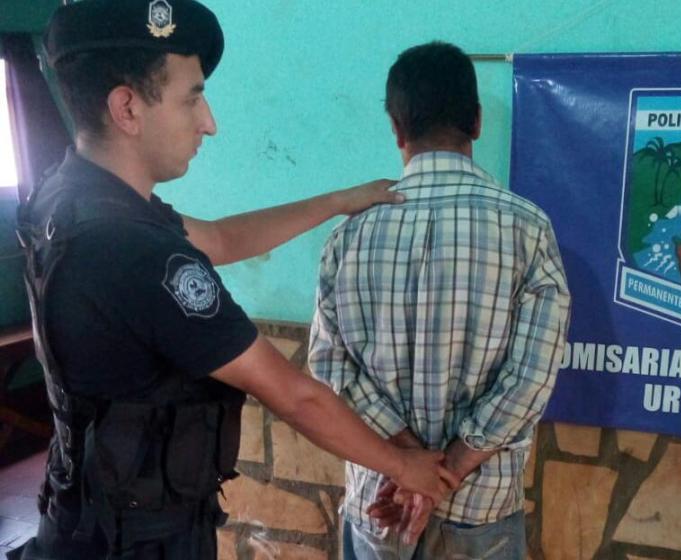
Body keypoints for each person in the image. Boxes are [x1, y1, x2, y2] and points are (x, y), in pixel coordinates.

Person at [9, 2, 457, 559]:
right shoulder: (140, 254)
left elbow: (220, 238)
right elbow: (295, 396)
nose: (209, 122)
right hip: (137, 543)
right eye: (191, 98)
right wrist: (404, 466)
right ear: (127, 108)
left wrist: (339, 201)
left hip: (80, 518)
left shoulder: (72, 198)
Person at [308, 41, 571, 559]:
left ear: (396, 129)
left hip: (380, 499)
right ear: (477, 121)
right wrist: (445, 471)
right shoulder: (527, 229)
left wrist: (410, 466)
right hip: (480, 507)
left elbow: (330, 369)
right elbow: (531, 376)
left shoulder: (348, 236)